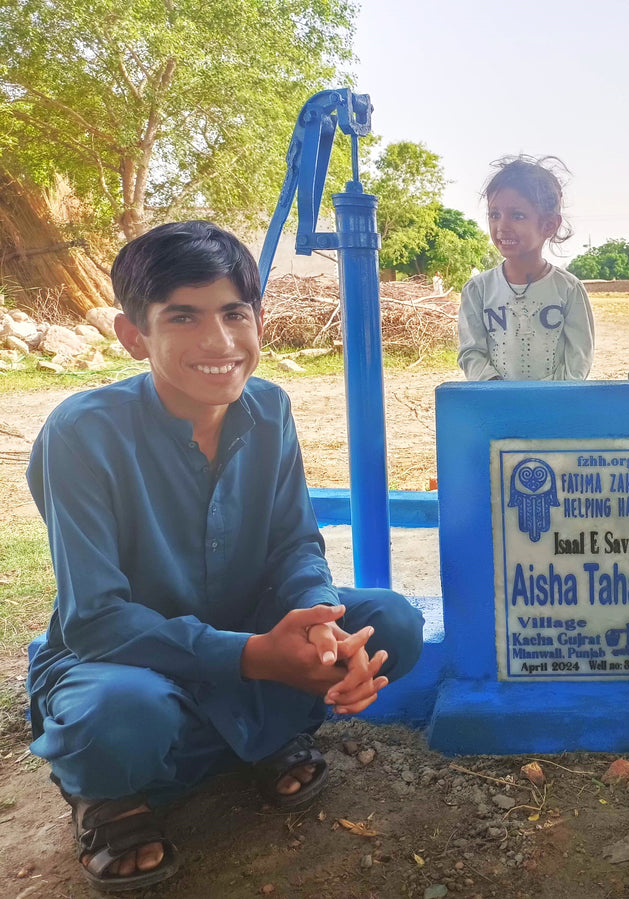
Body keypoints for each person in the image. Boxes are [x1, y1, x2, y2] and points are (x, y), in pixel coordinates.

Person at [25, 221, 424, 892]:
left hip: (250, 621)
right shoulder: (81, 433)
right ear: (133, 334)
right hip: (125, 658)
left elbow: (295, 543)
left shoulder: (270, 409)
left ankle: (236, 737)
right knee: (122, 716)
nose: (219, 341)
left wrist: (315, 619)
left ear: (258, 318)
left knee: (390, 624)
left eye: (234, 312)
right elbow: (94, 619)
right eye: (183, 316)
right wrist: (255, 657)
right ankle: (115, 793)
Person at [458, 154, 595, 381]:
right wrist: (499, 392)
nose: (502, 226)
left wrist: (545, 397)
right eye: (494, 214)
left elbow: (579, 357)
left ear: (549, 225)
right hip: (498, 408)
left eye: (517, 216)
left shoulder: (569, 289)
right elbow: (471, 352)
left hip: (552, 408)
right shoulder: (477, 290)